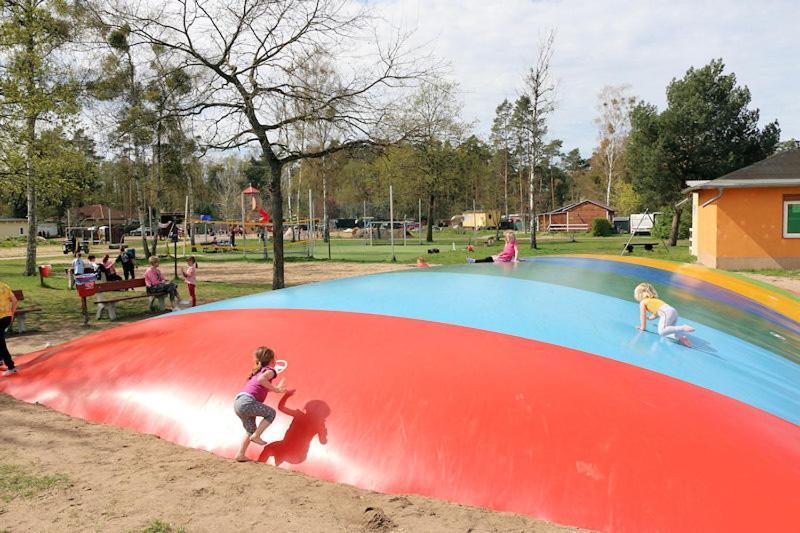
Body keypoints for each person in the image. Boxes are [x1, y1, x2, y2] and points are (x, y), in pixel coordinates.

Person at [233, 347, 287, 462]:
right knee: (271, 413)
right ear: (272, 360)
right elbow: (262, 380)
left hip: (238, 402)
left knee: (250, 431)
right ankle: (257, 436)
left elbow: (261, 385)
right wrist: (276, 389)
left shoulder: (257, 372)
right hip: (248, 402)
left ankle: (240, 454)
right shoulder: (270, 371)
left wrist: (276, 389)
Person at [634, 282, 695, 347]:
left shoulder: (643, 302)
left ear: (639, 294)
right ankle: (681, 338)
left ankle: (682, 327)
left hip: (667, 312)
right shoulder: (654, 300)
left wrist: (642, 327)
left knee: (661, 331)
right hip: (673, 312)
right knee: (668, 332)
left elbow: (642, 315)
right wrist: (650, 318)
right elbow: (657, 312)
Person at [0, 281, 18, 376]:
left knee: (1, 343)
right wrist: (12, 313)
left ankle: (11, 367)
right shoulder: (4, 286)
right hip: (6, 318)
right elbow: (14, 300)